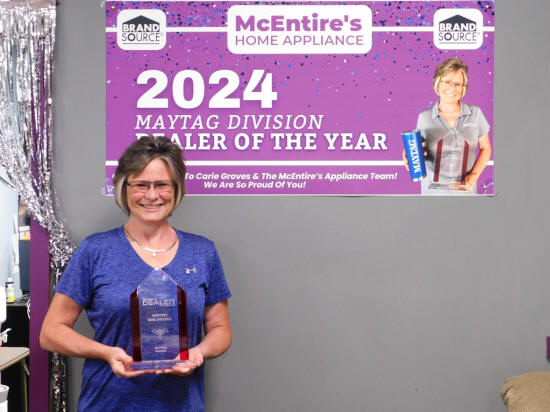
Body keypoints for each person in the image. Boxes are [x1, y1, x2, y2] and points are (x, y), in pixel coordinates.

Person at [40, 136, 232, 411]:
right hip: (107, 403)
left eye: (162, 185)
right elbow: (51, 333)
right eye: (141, 185)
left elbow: (221, 330)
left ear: (176, 188)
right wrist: (106, 353)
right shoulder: (95, 250)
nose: (152, 195)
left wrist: (197, 353)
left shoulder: (202, 251)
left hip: (180, 405)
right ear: (124, 187)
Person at [405, 57, 492, 194]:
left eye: (458, 84)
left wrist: (473, 177)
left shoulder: (475, 113)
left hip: (466, 195)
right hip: (432, 195)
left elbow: (485, 148)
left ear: (463, 87)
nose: (452, 88)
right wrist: (409, 156)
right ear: (437, 83)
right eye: (447, 82)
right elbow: (416, 150)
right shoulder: (424, 117)